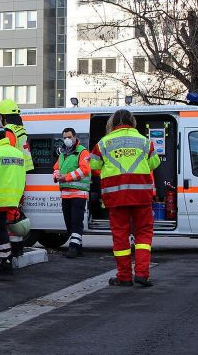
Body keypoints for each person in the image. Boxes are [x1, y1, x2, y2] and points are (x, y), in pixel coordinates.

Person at [89, 109, 160, 287]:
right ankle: (143, 274)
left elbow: (94, 164)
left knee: (120, 236)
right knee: (143, 234)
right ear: (132, 122)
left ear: (112, 123)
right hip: (141, 196)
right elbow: (154, 163)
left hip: (115, 196)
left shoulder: (103, 143)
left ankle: (124, 276)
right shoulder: (145, 142)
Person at [0, 124, 26, 275]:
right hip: (13, 198)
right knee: (0, 229)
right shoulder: (18, 153)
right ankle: (5, 257)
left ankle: (6, 260)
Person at [0, 99, 32, 257]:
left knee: (9, 216)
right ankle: (17, 249)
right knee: (15, 213)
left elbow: (6, 152)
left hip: (10, 177)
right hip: (20, 177)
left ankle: (11, 253)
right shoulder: (21, 130)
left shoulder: (9, 131)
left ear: (5, 116)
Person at [53, 128, 90, 258]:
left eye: (69, 137)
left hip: (79, 193)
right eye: (65, 137)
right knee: (69, 222)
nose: (67, 140)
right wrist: (56, 176)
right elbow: (57, 167)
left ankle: (73, 248)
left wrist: (66, 177)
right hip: (65, 194)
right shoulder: (63, 152)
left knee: (76, 222)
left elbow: (84, 170)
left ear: (75, 137)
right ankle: (78, 247)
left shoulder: (82, 152)